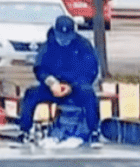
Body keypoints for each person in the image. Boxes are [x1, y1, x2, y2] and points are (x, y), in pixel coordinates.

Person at [18, 16, 101, 146]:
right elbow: (40, 68)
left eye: (67, 36)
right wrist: (51, 82)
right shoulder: (48, 45)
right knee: (30, 94)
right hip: (53, 87)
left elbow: (91, 71)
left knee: (89, 95)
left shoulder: (83, 45)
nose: (64, 40)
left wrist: (71, 86)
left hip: (76, 87)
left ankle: (94, 131)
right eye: (61, 36)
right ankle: (24, 130)